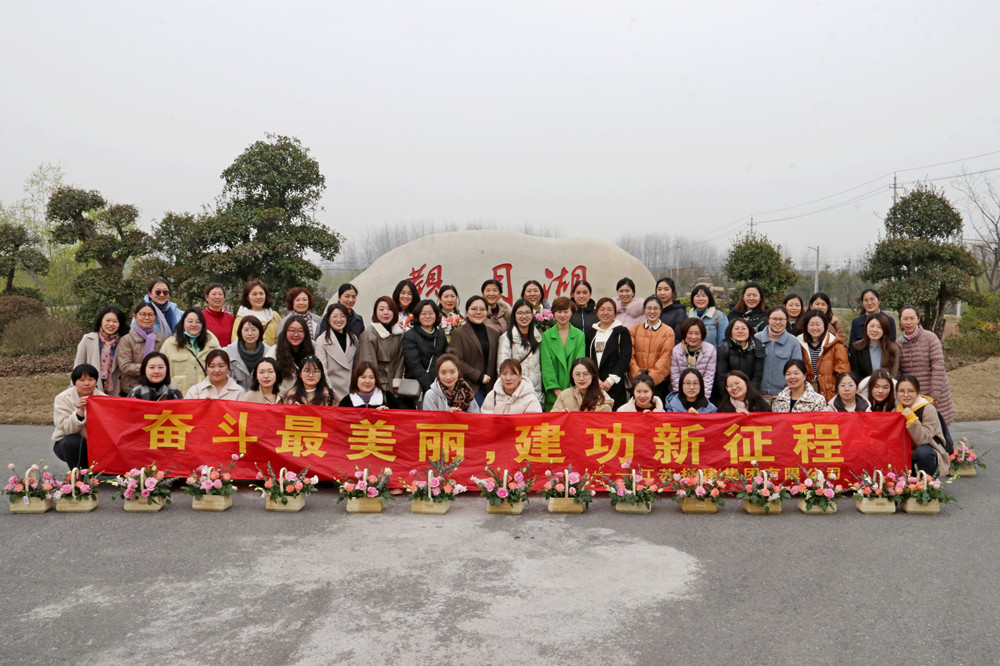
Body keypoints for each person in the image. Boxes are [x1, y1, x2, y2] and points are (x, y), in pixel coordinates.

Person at [897, 305, 954, 424]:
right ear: (900, 321)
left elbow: (938, 367)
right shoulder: (898, 344)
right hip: (912, 396)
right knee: (916, 428)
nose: (908, 322)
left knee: (938, 428)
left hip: (934, 392)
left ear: (918, 319)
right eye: (905, 319)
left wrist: (934, 395)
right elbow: (899, 374)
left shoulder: (930, 338)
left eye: (912, 318)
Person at [448, 295, 500, 406]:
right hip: (469, 387)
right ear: (467, 312)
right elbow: (456, 361)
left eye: (482, 309)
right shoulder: (459, 333)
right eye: (474, 309)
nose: (478, 312)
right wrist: (479, 376)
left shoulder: (494, 333)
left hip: (491, 388)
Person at [52, 364, 105, 469]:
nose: (87, 383)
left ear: (96, 381)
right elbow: (66, 428)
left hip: (96, 443)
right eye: (81, 380)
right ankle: (78, 473)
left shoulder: (104, 399)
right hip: (67, 442)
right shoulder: (63, 398)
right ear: (74, 382)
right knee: (72, 442)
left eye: (91, 379)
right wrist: (80, 411)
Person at [896, 374, 950, 476]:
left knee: (922, 452)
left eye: (911, 391)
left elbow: (923, 439)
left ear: (917, 392)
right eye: (902, 391)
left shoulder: (928, 409)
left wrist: (912, 418)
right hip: (906, 451)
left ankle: (926, 480)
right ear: (897, 393)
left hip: (928, 451)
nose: (906, 395)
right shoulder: (895, 410)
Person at [159, 309, 221, 396]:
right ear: (183, 322)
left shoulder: (212, 343)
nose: (194, 325)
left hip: (206, 395)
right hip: (178, 396)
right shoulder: (170, 344)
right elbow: (161, 369)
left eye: (198, 322)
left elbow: (222, 368)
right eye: (190, 321)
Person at [540, 296, 586, 411]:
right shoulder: (547, 336)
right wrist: (556, 390)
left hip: (575, 392)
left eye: (566, 311)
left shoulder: (579, 335)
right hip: (553, 394)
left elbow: (579, 363)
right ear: (554, 313)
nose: (562, 315)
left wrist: (571, 391)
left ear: (571, 313)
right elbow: (547, 366)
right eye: (559, 311)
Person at [588, 296, 632, 409]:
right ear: (597, 312)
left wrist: (610, 381)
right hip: (595, 384)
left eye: (609, 309)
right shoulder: (592, 332)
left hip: (615, 384)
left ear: (615, 313)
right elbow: (587, 357)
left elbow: (625, 358)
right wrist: (595, 379)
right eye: (602, 309)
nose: (605, 313)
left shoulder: (622, 332)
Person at [498, 299, 544, 406]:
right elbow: (502, 368)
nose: (524, 316)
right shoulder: (506, 338)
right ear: (514, 316)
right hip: (515, 394)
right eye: (520, 313)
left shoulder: (538, 337)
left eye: (527, 313)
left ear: (532, 315)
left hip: (536, 394)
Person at [74, 305, 128, 397]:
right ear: (101, 321)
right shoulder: (88, 339)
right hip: (92, 388)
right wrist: (74, 389)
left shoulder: (124, 341)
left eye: (115, 321)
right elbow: (78, 366)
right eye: (108, 320)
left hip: (116, 389)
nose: (111, 324)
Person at [796, 309, 850, 401]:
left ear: (825, 325)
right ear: (806, 326)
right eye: (811, 324)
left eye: (818, 324)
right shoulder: (798, 343)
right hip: (806, 396)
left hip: (830, 396)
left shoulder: (835, 344)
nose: (815, 328)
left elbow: (843, 373)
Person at [356, 297, 405, 396]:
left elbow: (400, 360)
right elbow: (368, 364)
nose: (385, 312)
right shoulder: (369, 335)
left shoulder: (399, 334)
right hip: (378, 383)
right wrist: (375, 383)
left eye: (389, 309)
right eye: (381, 309)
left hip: (394, 384)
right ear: (375, 312)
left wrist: (397, 381)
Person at [116, 302, 167, 396]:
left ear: (155, 317)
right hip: (131, 390)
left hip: (158, 390)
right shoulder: (126, 340)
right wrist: (149, 368)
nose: (146, 318)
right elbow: (125, 366)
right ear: (135, 317)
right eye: (143, 314)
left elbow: (166, 364)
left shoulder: (162, 339)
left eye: (150, 315)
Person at [629, 296, 675, 399]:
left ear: (661, 310)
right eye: (649, 308)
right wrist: (638, 377)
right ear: (644, 310)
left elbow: (665, 358)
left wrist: (650, 380)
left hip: (658, 383)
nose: (652, 311)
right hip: (637, 383)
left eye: (656, 308)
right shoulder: (635, 329)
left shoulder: (668, 332)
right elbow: (630, 355)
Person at [755, 306, 805, 398]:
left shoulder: (793, 341)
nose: (778, 322)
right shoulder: (756, 338)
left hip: (783, 396)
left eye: (781, 319)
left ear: (786, 321)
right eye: (774, 319)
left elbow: (797, 369)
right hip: (758, 395)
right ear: (768, 320)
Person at [402, 299, 448, 399]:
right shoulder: (410, 336)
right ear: (418, 315)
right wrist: (430, 388)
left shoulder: (440, 335)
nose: (427, 316)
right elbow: (414, 365)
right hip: (416, 388)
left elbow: (444, 359)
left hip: (438, 386)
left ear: (436, 315)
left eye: (431, 313)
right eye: (423, 313)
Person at [314, 303, 358, 400]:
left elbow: (356, 366)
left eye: (342, 316)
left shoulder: (353, 339)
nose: (339, 320)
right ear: (328, 319)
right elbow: (322, 370)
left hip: (351, 392)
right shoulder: (322, 341)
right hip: (332, 393)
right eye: (335, 316)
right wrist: (330, 392)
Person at [715, 317, 765, 400]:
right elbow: (721, 377)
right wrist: (732, 395)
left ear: (749, 330)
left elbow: (758, 376)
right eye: (736, 329)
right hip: (729, 395)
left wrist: (747, 394)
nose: (740, 331)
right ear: (730, 331)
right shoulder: (724, 349)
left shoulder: (758, 347)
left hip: (751, 394)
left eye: (743, 328)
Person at [670, 317, 717, 400]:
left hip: (702, 395)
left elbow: (708, 378)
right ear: (684, 333)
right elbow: (675, 378)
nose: (693, 336)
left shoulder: (710, 350)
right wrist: (681, 399)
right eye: (690, 333)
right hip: (681, 395)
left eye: (697, 333)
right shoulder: (676, 351)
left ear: (702, 334)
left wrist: (703, 400)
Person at [269, 314, 317, 394]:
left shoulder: (314, 347)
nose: (296, 335)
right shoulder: (275, 351)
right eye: (292, 331)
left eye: (300, 331)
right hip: (282, 396)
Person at [223, 316, 269, 391]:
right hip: (236, 395)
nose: (250, 333)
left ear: (260, 332)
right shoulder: (229, 353)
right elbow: (228, 381)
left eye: (253, 330)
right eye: (246, 330)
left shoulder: (269, 353)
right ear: (240, 332)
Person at [848, 313, 900, 379]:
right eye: (872, 326)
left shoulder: (893, 348)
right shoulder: (857, 347)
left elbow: (893, 374)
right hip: (863, 384)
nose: (875, 330)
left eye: (879, 327)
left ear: (884, 330)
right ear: (866, 327)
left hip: (887, 384)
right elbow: (855, 374)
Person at [233, 279, 282, 347]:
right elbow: (235, 342)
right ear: (247, 297)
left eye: (261, 293)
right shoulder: (241, 317)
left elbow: (282, 337)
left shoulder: (274, 316)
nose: (258, 297)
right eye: (254, 294)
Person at [339, 361, 403, 409]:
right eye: (363, 377)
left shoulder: (388, 398)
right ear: (356, 379)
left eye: (371, 377)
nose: (367, 381)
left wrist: (388, 413)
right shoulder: (346, 402)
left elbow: (403, 417)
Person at [687, 284, 728, 349]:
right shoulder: (687, 317)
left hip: (712, 355)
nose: (700, 299)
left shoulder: (720, 317)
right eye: (697, 296)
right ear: (693, 298)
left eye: (703, 296)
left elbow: (723, 344)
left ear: (709, 298)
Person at [569, 279, 597, 346]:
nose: (581, 296)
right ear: (573, 294)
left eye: (585, 293)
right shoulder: (568, 313)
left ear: (590, 294)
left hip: (592, 349)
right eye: (578, 293)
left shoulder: (597, 313)